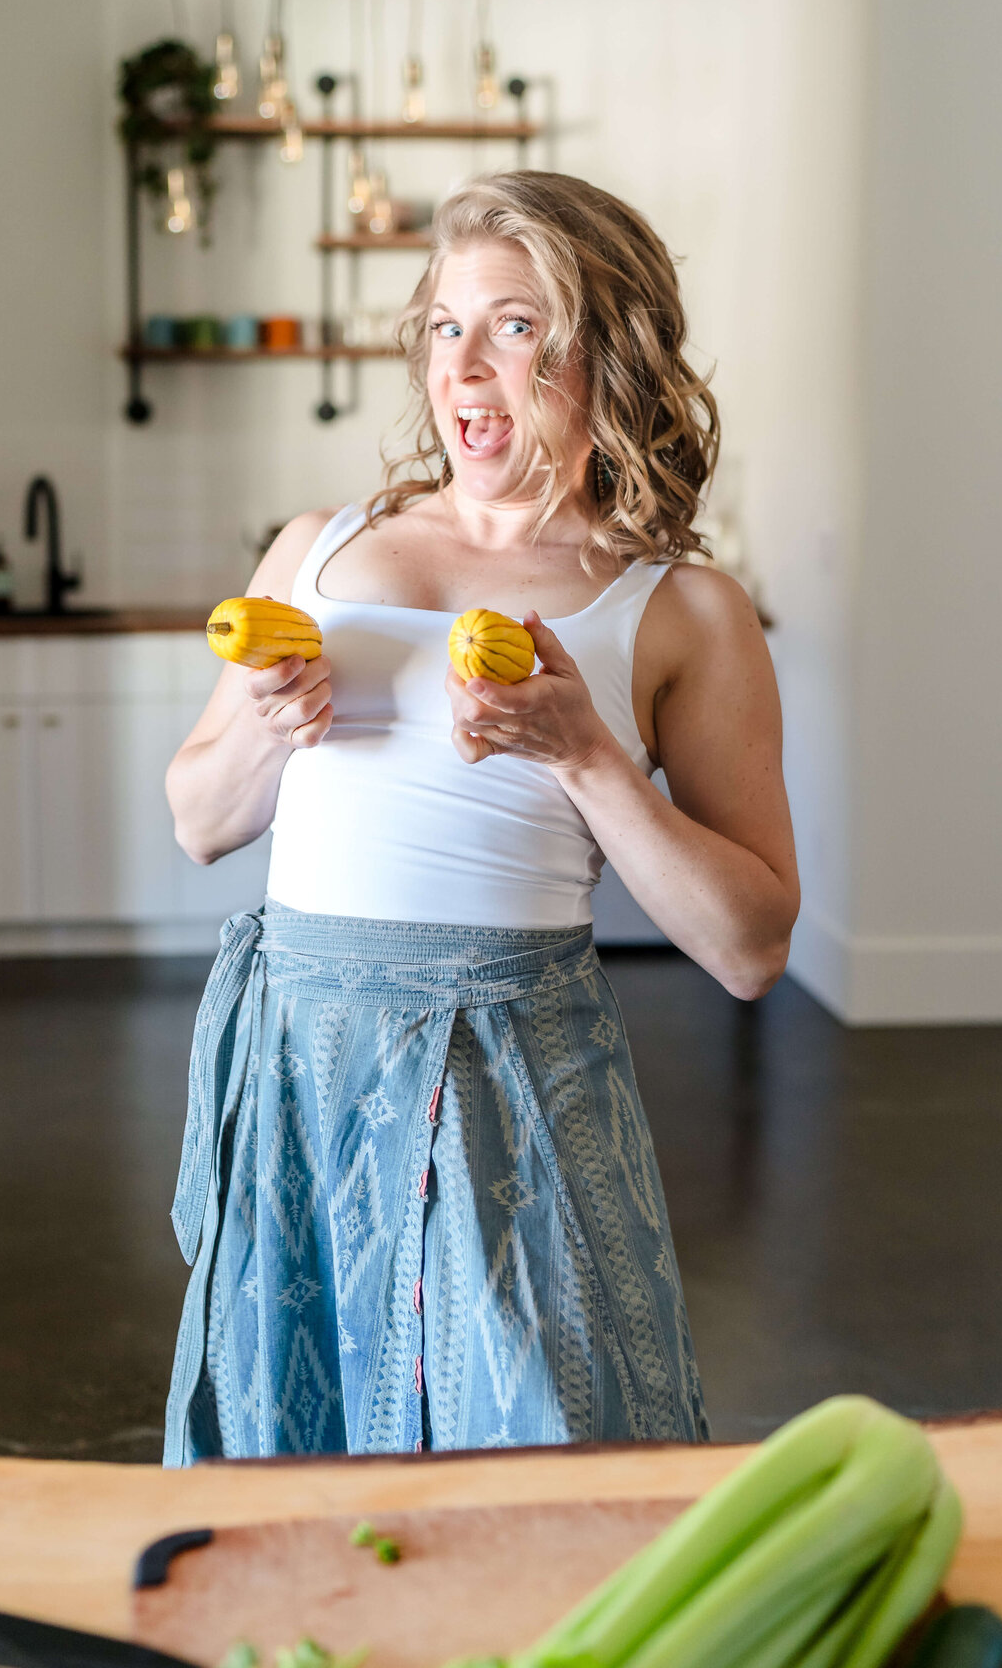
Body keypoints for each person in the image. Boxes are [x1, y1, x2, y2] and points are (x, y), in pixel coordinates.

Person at [162, 170, 799, 1465]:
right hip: (302, 1062)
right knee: (296, 1450)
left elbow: (751, 947)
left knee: (542, 1440)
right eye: (446, 327)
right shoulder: (317, 552)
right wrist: (273, 726)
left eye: (515, 327)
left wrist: (586, 756)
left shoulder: (681, 610)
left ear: (608, 349)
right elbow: (200, 820)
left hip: (512, 1072)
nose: (464, 366)